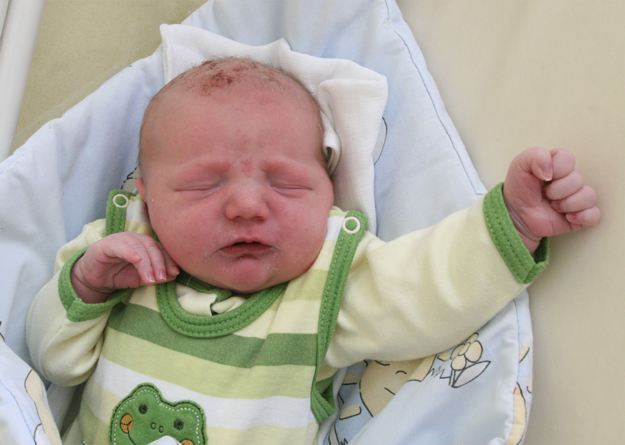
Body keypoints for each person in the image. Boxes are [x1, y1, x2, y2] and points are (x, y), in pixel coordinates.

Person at [27, 58, 599, 445]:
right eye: (204, 185)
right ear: (146, 196)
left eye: (285, 184)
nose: (247, 205)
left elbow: (423, 290)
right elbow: (54, 363)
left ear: (329, 195)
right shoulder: (119, 256)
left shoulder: (322, 288)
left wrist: (512, 223)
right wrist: (86, 287)